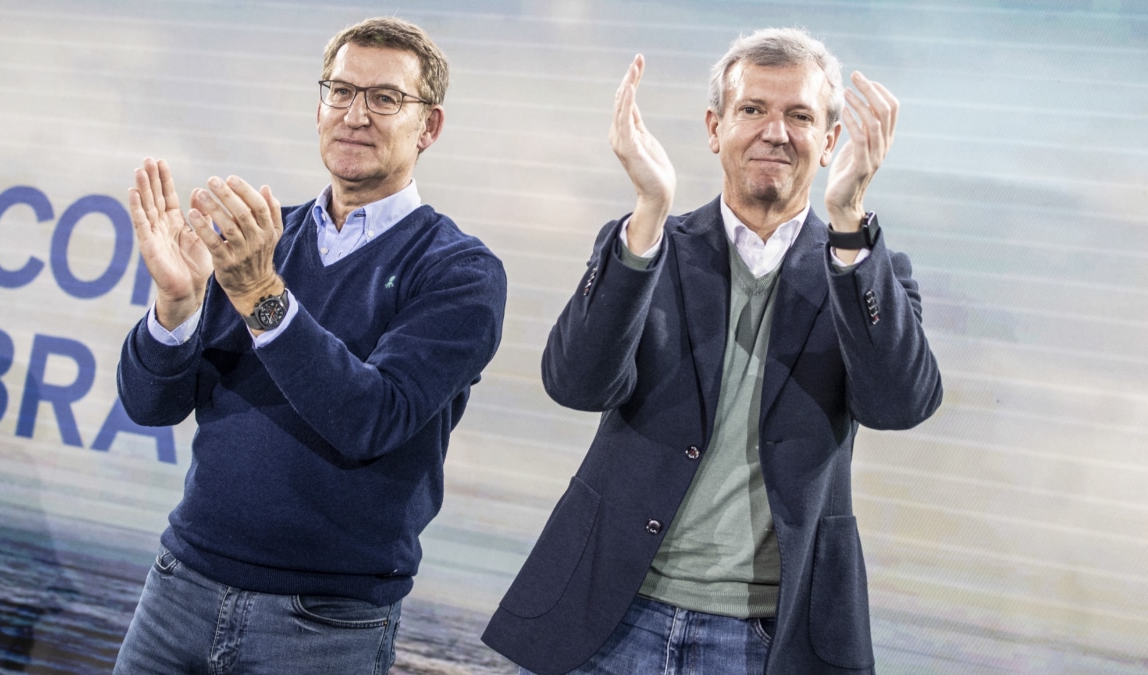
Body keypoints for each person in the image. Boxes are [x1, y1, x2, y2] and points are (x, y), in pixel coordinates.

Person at [482, 27, 941, 675]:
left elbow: (898, 403)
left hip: (765, 635)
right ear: (714, 126)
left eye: (800, 115)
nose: (774, 131)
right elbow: (575, 382)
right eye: (752, 109)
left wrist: (850, 221)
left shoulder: (867, 267)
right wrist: (648, 210)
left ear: (831, 140)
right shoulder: (649, 244)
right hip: (611, 610)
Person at [113, 17, 506, 674]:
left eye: (385, 98)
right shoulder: (265, 240)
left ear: (428, 127)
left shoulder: (459, 272)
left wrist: (259, 291)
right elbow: (151, 405)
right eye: (340, 91)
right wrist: (176, 305)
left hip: (323, 624)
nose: (356, 115)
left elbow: (370, 418)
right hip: (179, 588)